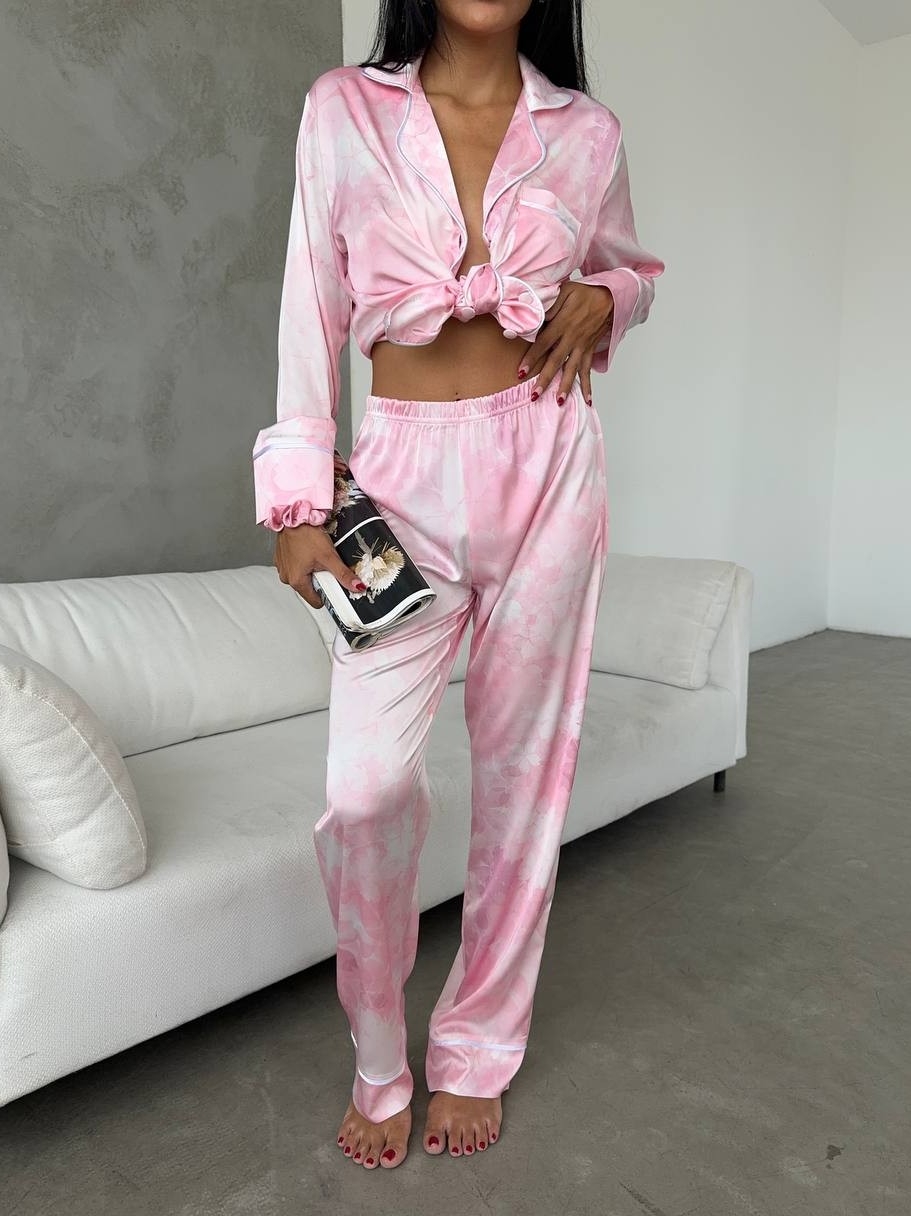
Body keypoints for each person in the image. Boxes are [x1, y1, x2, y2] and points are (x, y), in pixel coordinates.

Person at [252, 0, 664, 1171]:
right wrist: (297, 497)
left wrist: (609, 296)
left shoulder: (586, 132)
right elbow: (308, 301)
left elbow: (630, 270)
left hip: (549, 460)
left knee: (525, 778)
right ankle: (379, 1055)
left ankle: (477, 1046)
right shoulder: (344, 109)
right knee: (365, 788)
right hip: (396, 484)